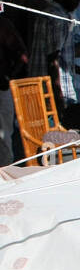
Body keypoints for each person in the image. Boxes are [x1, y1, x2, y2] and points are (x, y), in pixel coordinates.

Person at [0, 15, 26, 167]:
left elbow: (21, 56)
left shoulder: (2, 23)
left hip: (2, 88)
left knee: (4, 141)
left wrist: (8, 77)